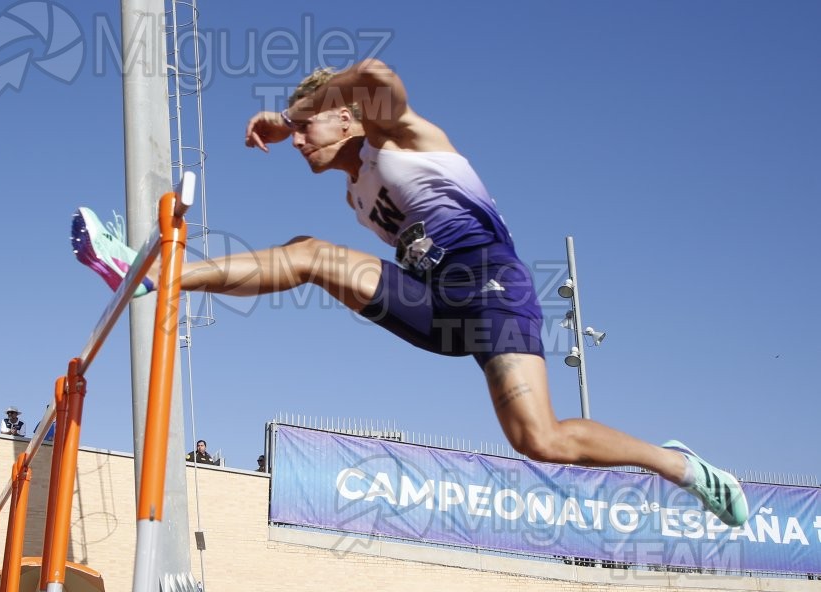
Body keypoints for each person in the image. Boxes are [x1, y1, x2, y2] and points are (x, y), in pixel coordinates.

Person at [72, 59, 747, 527]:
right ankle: (156, 277)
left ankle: (678, 466)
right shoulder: (354, 193)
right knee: (311, 255)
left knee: (538, 439)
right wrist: (306, 117)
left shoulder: (399, 136)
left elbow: (376, 75)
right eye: (298, 129)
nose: (299, 138)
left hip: (491, 289)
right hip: (433, 302)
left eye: (313, 124)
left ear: (347, 119)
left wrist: (289, 112)